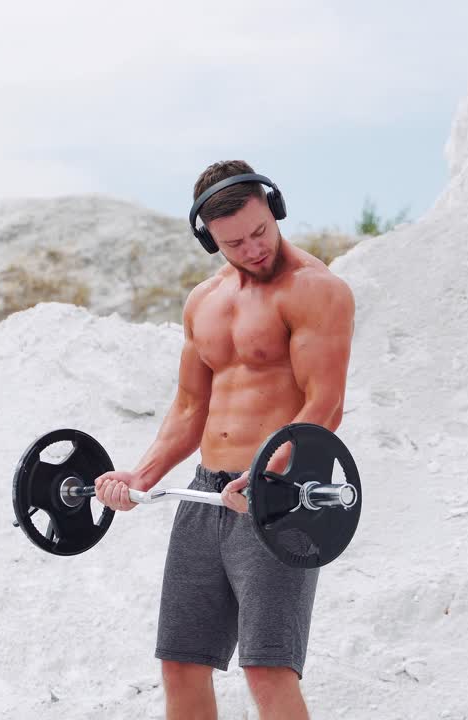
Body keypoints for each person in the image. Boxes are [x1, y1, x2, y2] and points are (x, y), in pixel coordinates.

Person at [94, 160, 355, 720]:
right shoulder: (203, 301)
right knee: (182, 662)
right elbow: (190, 408)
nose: (254, 248)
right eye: (234, 243)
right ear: (208, 239)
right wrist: (141, 477)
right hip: (205, 496)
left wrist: (271, 476)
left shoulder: (317, 291)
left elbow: (324, 407)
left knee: (267, 668)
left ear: (275, 209)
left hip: (283, 499)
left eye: (261, 231)